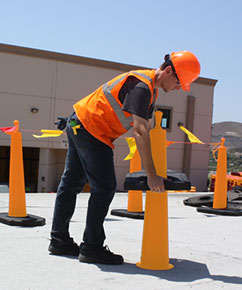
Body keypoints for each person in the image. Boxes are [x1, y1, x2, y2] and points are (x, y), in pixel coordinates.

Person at [48, 51, 200, 265]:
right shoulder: (141, 87)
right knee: (105, 187)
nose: (178, 88)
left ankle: (59, 240)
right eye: (178, 82)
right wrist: (152, 175)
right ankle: (91, 248)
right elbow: (139, 132)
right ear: (168, 71)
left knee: (71, 184)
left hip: (78, 122)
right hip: (92, 130)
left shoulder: (148, 89)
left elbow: (147, 126)